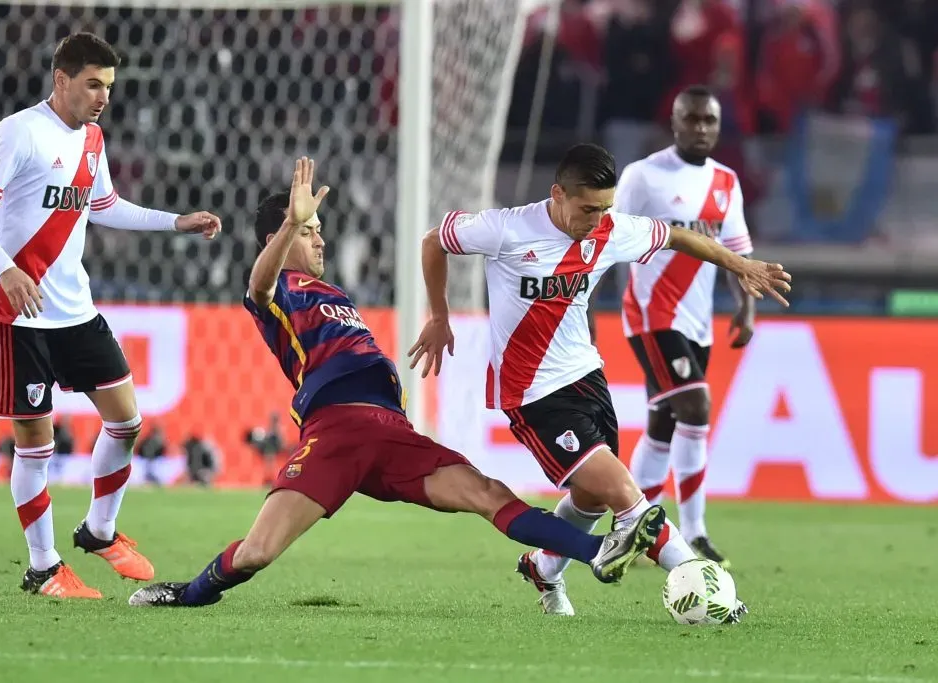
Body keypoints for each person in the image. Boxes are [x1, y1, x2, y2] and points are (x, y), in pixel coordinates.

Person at [127, 158, 665, 609]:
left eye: (316, 229)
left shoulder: (331, 291)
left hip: (390, 433)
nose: (320, 239)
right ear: (279, 235)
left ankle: (598, 553)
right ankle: (188, 594)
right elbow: (257, 285)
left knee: (486, 493)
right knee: (258, 552)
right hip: (336, 434)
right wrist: (293, 222)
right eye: (309, 232)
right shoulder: (280, 290)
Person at [411, 142, 789, 618]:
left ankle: (545, 568)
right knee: (628, 500)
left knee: (590, 497)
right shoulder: (506, 228)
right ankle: (713, 594)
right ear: (558, 194)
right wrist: (439, 316)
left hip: (587, 377)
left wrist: (742, 265)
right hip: (532, 391)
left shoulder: (612, 230)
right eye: (588, 208)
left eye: (606, 208)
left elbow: (676, 236)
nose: (597, 220)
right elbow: (433, 241)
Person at [0, 32, 222, 599]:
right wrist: (5, 268)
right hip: (19, 314)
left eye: (109, 87)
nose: (103, 96)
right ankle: (43, 567)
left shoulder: (93, 139)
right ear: (62, 80)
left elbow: (104, 208)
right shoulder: (19, 132)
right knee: (37, 442)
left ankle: (98, 531)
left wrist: (175, 222)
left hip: (76, 310)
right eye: (93, 84)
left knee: (126, 420)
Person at [619, 85, 755, 568]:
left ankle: (636, 526)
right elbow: (603, 239)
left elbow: (738, 251)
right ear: (674, 122)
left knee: (664, 422)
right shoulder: (644, 176)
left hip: (698, 323)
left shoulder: (725, 181)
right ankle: (694, 532)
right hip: (652, 314)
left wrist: (746, 308)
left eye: (709, 121)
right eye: (692, 119)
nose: (701, 128)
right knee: (696, 406)